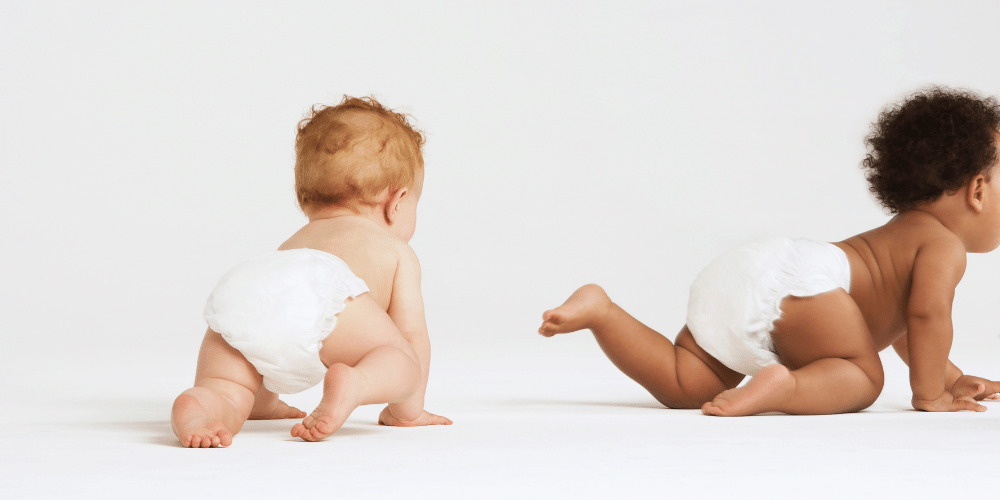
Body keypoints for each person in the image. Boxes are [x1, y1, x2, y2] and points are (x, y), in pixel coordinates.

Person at [540, 86, 1000, 416]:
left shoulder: (900, 235)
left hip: (745, 272)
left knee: (687, 383)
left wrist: (949, 376)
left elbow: (898, 324)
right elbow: (925, 318)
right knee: (862, 376)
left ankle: (604, 313)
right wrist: (930, 395)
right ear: (977, 190)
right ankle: (785, 388)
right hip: (806, 287)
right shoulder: (942, 245)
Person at [171, 96, 450, 447]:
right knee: (401, 359)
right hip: (325, 293)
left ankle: (206, 404)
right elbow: (412, 335)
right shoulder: (395, 251)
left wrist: (265, 398)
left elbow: (277, 324)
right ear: (396, 203)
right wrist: (407, 411)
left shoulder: (295, 243)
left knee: (229, 383)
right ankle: (356, 383)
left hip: (248, 284)